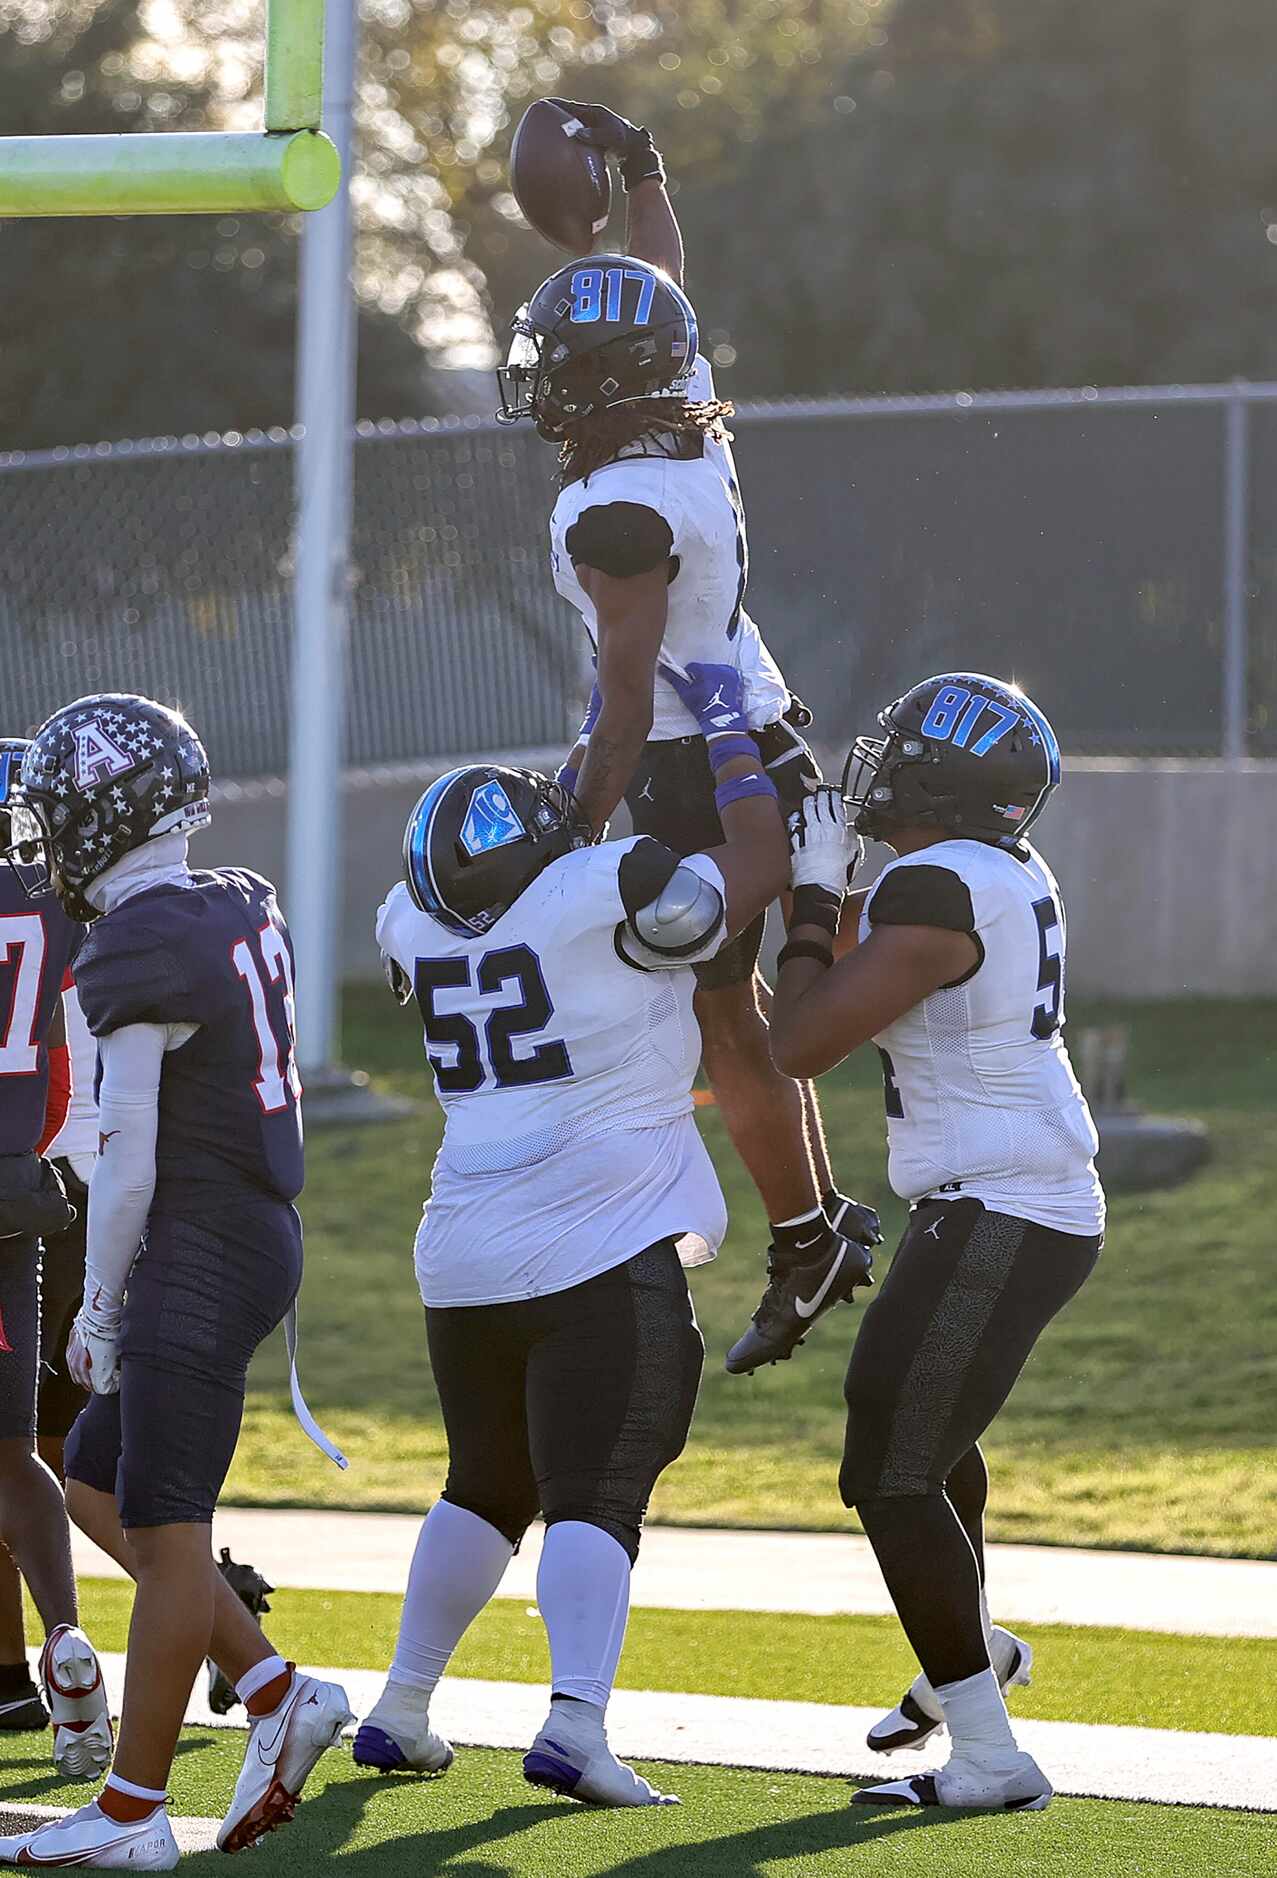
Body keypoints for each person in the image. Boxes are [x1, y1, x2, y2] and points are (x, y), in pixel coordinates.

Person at [355, 663, 789, 1806]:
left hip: (463, 1250)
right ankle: (575, 1723)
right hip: (601, 1235)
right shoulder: (603, 886)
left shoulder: (412, 921)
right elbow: (757, 872)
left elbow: (516, 876)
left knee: (484, 1484)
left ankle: (401, 1706)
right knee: (599, 1492)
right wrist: (735, 738)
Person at [495, 99, 879, 1366]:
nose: (538, 373)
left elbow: (621, 697)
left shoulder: (613, 509)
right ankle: (806, 1228)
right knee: (729, 1019)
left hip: (696, 761)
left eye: (553, 359)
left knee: (711, 1023)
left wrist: (570, 826)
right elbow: (659, 282)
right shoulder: (681, 413)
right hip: (747, 732)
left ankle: (782, 1234)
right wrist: (646, 164)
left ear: (593, 386)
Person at [0, 696, 351, 1871]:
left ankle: (134, 1809)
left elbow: (131, 1151)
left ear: (99, 818)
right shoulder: (238, 898)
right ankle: (269, 1685)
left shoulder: (133, 946)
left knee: (165, 1524)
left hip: (199, 1243)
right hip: (242, 1232)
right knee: (97, 1480)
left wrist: (99, 1306)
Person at [767, 673, 1104, 1813]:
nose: (873, 768)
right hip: (1002, 1197)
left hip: (1004, 1203)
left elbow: (799, 1040)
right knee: (927, 1431)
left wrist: (812, 898)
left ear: (938, 780)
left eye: (897, 751)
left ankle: (991, 1755)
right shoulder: (988, 873)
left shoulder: (935, 885)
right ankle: (967, 1654)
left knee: (888, 1460)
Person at [0, 735, 112, 1778]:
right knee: (22, 1452)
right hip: (30, 1195)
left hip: (50, 1184)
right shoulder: (67, 908)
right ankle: (64, 1647)